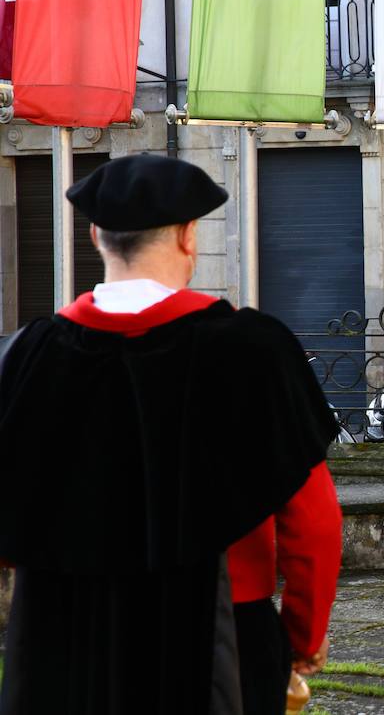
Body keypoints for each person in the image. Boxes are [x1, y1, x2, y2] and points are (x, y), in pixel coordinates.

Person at [0, 154, 341, 715]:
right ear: (188, 237)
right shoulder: (253, 351)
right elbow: (311, 521)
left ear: (95, 236)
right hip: (218, 627)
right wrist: (303, 637)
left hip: (63, 631)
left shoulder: (28, 356)